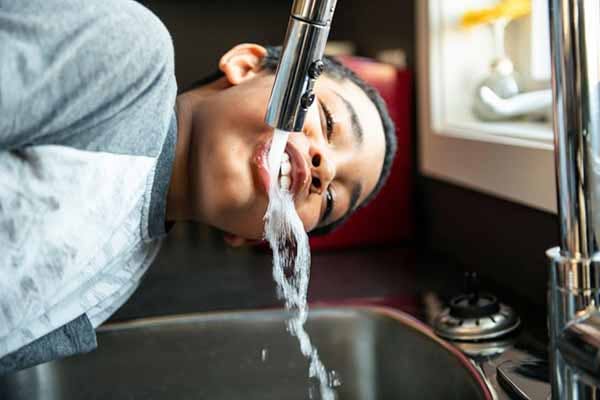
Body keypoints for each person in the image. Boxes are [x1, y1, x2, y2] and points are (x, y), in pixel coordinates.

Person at [0, 0, 397, 374]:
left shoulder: (112, 284)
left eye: (330, 200)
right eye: (328, 122)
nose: (326, 167)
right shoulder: (129, 55)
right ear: (245, 65)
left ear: (254, 237)